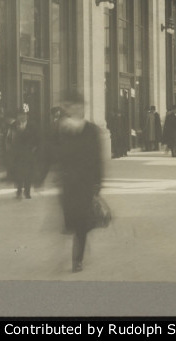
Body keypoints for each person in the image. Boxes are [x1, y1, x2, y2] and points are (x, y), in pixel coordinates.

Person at [52, 90, 103, 273]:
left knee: (81, 222)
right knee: (71, 221)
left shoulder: (91, 130)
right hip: (67, 184)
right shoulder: (60, 129)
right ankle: (79, 242)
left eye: (79, 106)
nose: (76, 109)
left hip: (85, 184)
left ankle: (77, 259)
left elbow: (97, 159)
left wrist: (98, 183)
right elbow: (52, 154)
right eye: (72, 106)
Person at [7, 104, 39, 200]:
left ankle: (27, 192)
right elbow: (8, 138)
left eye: (24, 114)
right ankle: (19, 191)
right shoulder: (13, 125)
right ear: (17, 116)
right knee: (18, 173)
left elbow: (37, 138)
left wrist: (34, 149)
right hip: (17, 154)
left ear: (27, 116)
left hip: (29, 153)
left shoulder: (32, 125)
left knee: (28, 174)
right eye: (20, 114)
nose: (22, 116)